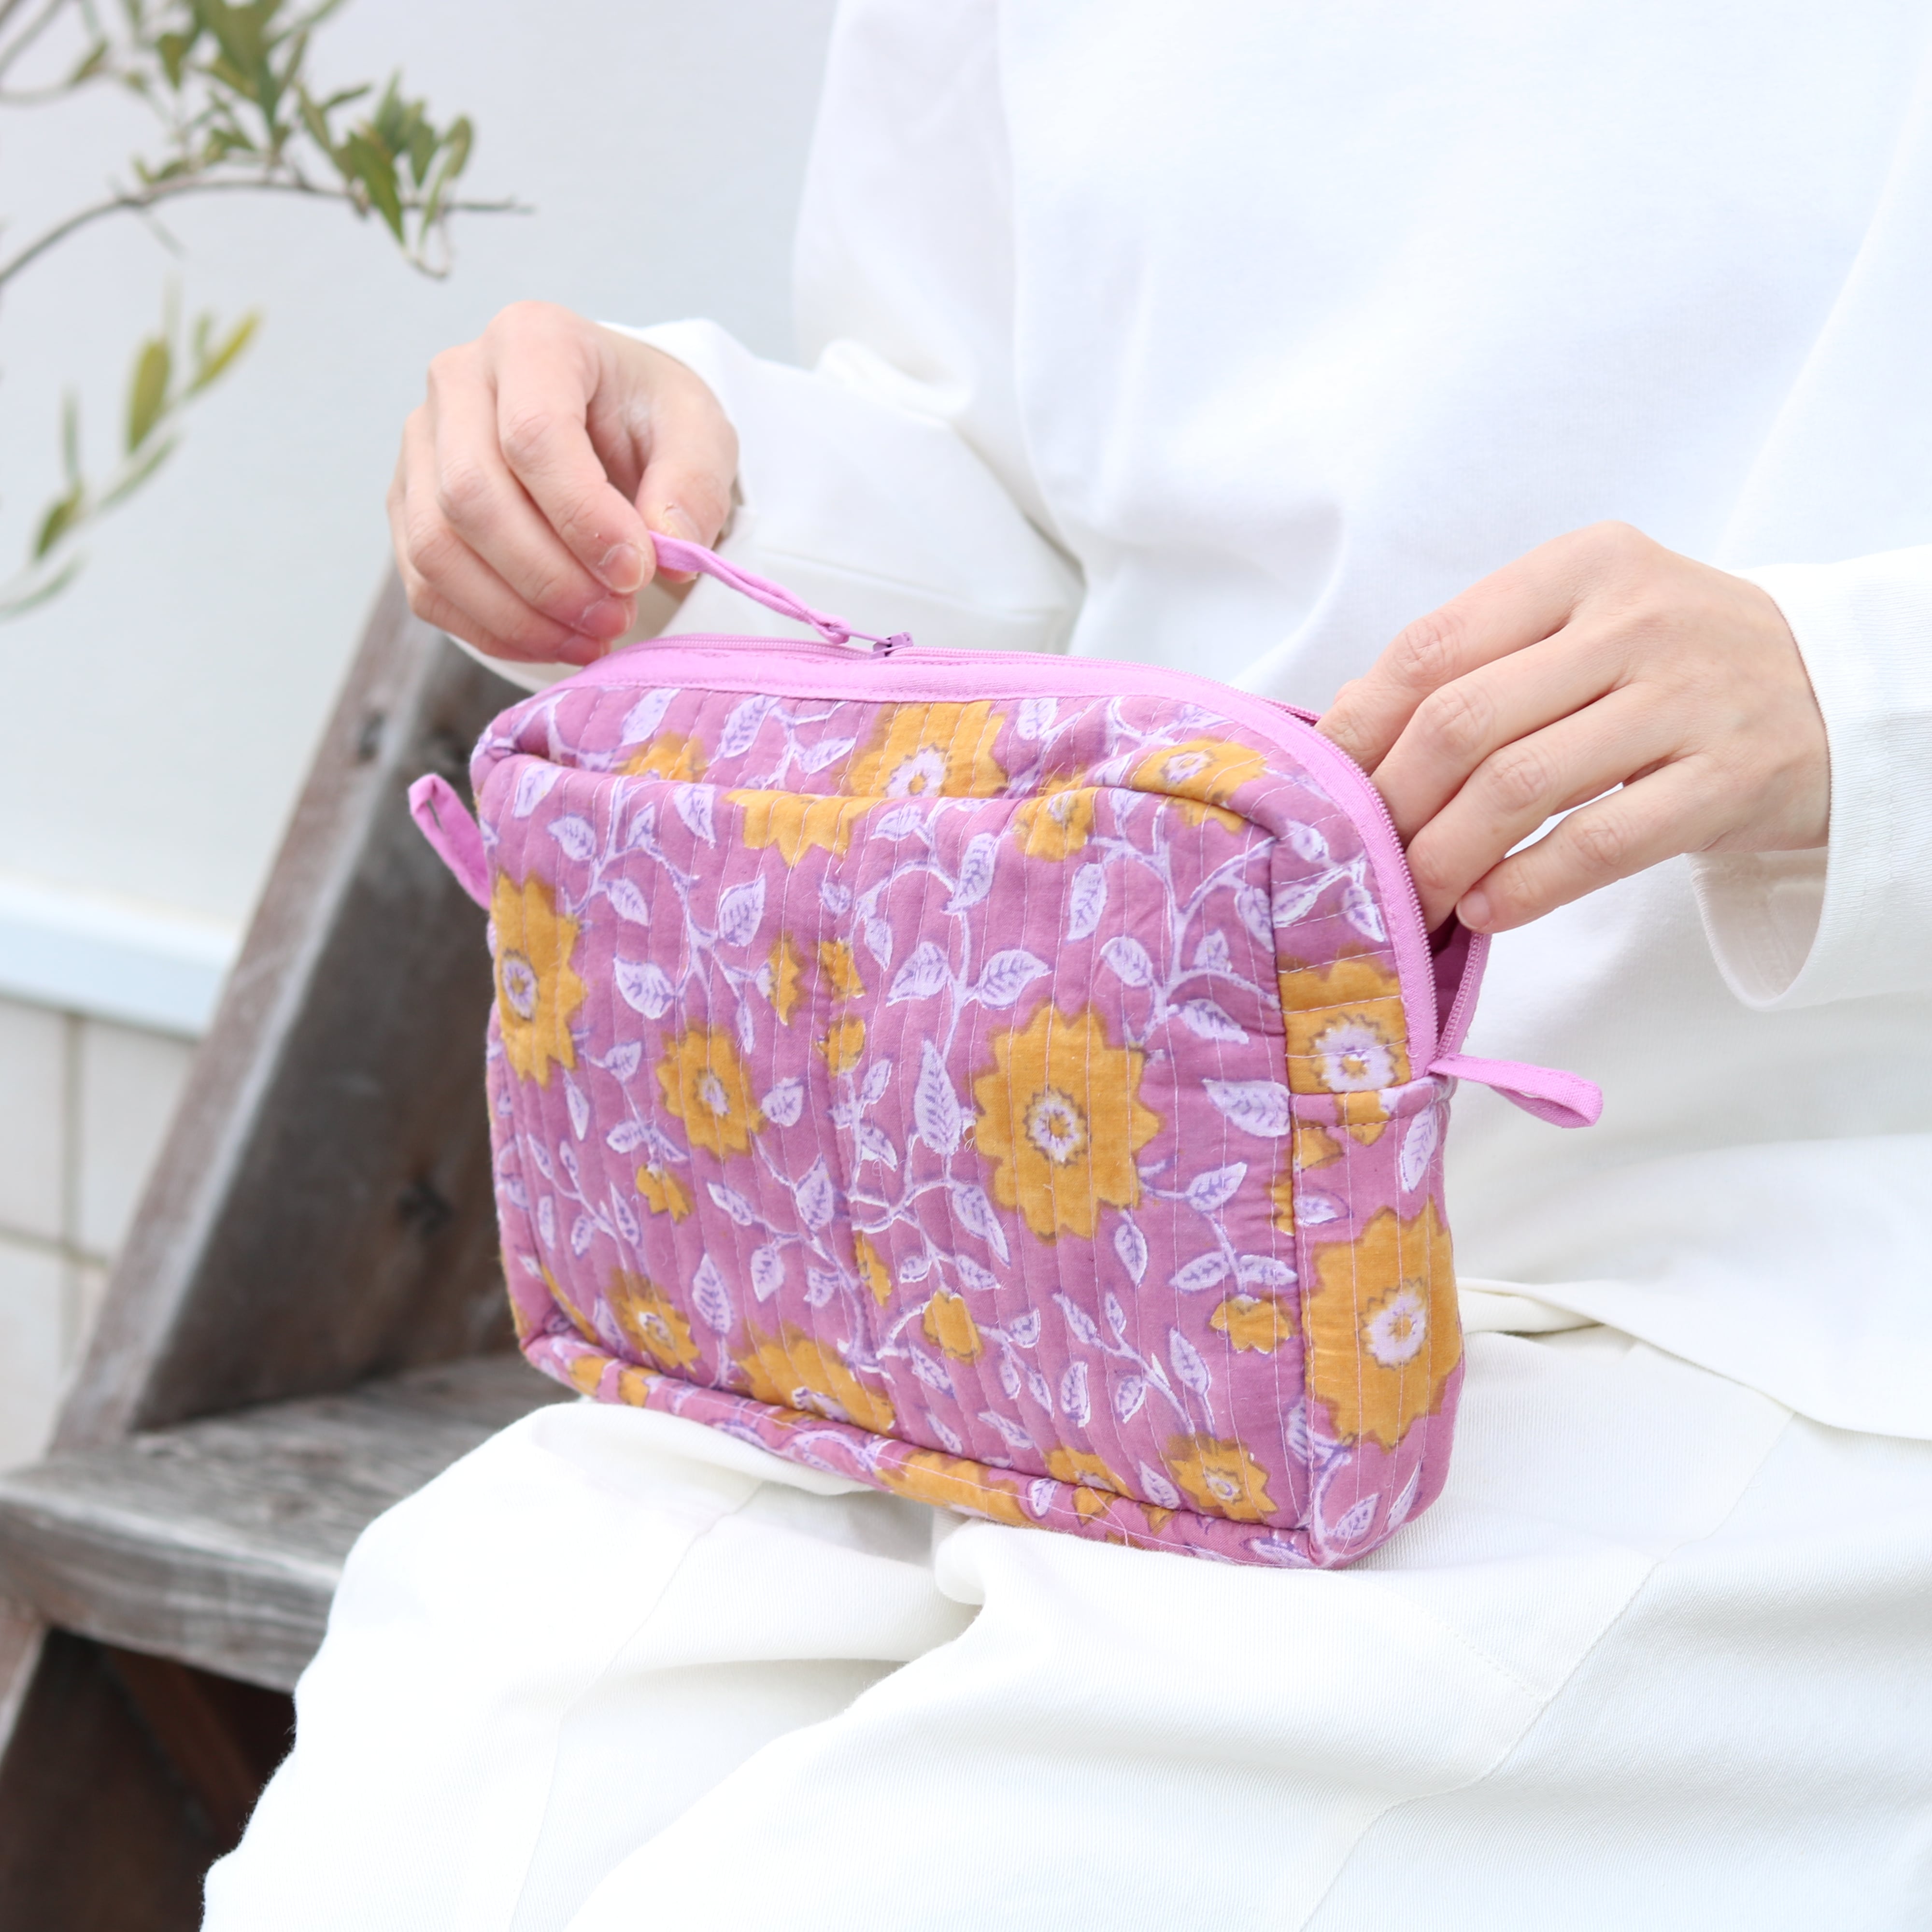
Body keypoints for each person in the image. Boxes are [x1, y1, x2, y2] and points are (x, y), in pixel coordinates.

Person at [204, 4, 1932, 1926]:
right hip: (1043, 1267)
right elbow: (1025, 517)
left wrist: (1851, 703)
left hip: (1760, 1288)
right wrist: (692, 502)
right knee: (402, 1832)